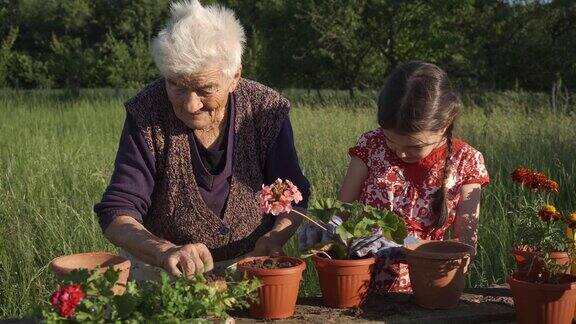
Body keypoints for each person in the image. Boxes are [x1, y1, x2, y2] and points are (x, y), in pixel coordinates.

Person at [94, 0, 310, 281]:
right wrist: (163, 251)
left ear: (235, 77)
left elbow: (293, 194)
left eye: (205, 89)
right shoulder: (146, 112)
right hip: (163, 271)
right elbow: (117, 212)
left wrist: (273, 239)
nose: (191, 104)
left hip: (248, 267)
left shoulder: (265, 110)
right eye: (177, 86)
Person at [303, 61, 489, 293]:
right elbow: (342, 213)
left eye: (414, 147)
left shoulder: (466, 161)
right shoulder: (371, 145)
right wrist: (325, 231)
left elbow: (465, 249)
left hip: (427, 288)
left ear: (445, 125)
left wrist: (406, 244)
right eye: (391, 141)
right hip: (360, 285)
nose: (401, 153)